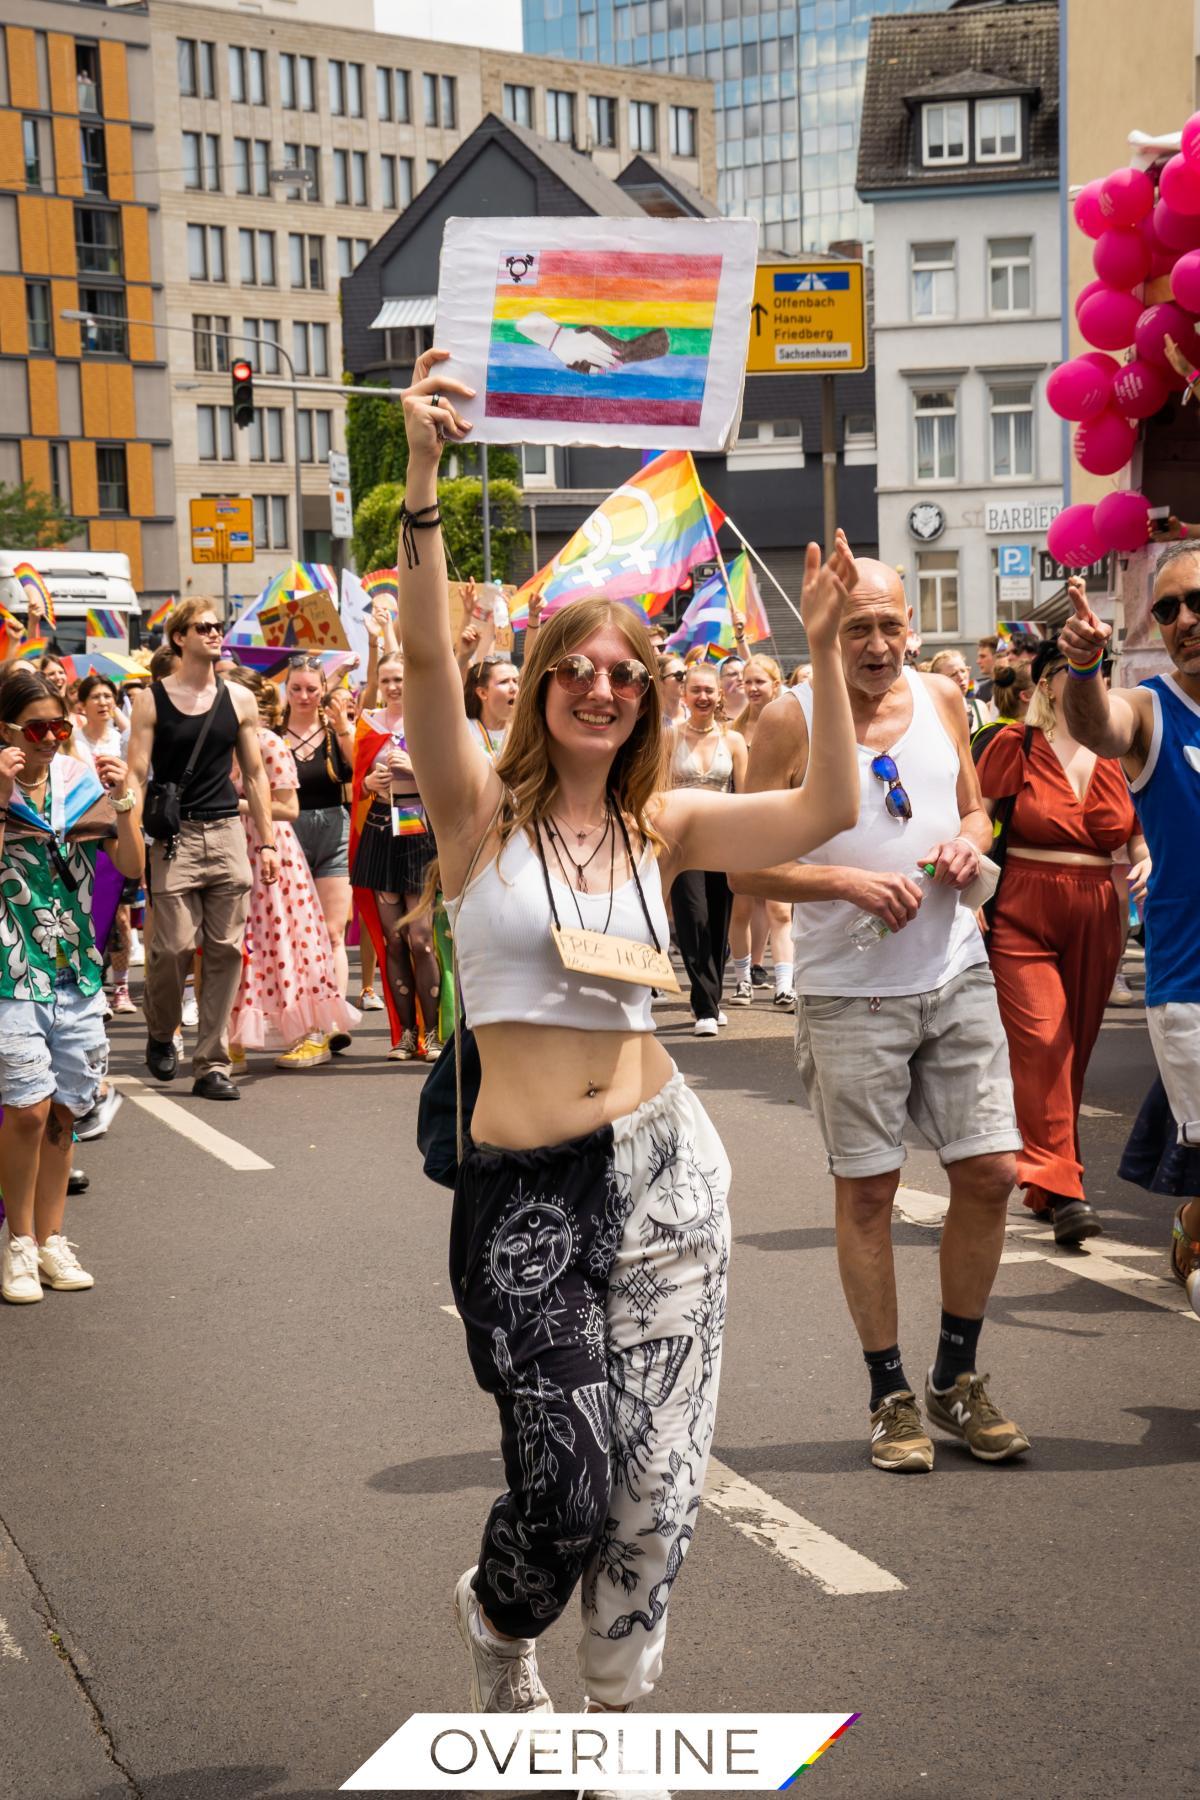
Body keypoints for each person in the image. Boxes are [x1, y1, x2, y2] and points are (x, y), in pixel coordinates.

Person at [395, 350, 859, 1739]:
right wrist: (423, 481)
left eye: (626, 673)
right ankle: (496, 1615)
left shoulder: (668, 828)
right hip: (528, 1190)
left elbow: (825, 806)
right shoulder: (479, 817)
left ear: (649, 697)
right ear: (540, 685)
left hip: (668, 1169)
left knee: (660, 1484)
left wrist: (827, 650)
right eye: (578, 669)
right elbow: (425, 655)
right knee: (568, 1485)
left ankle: (615, 1725)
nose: (603, 686)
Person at [732, 556, 1030, 1474]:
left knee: (991, 1172)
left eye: (888, 625)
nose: (874, 645)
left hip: (953, 967)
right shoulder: (791, 718)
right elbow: (744, 868)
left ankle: (956, 1377)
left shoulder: (945, 698)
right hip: (847, 988)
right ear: (828, 628)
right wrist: (846, 882)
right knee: (869, 1190)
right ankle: (888, 1392)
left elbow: (980, 816)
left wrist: (963, 841)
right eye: (855, 626)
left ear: (911, 623)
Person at [1060, 554, 1200, 1316]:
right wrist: (1084, 668)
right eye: (1169, 609)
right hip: (1190, 988)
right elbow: (1098, 724)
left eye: (1196, 603)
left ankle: (1190, 1226)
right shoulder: (1151, 709)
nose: (1184, 621)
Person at [975, 639, 1149, 1242]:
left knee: (1073, 1049)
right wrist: (965, 894)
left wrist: (1146, 858)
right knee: (1044, 1043)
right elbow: (975, 820)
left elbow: (1137, 833)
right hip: (1024, 903)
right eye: (1073, 672)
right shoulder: (1011, 743)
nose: (1088, 680)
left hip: (1099, 908)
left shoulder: (1119, 752)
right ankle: (1069, 1191)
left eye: (1098, 672)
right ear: (1047, 684)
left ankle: (1049, 1183)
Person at [0, 665, 143, 1304]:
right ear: (8, 730)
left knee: (65, 1110)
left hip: (74, 964)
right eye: (38, 728)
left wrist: (126, 802)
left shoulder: (78, 781)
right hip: (10, 965)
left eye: (60, 725)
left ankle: (54, 1240)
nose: (53, 738)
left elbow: (132, 866)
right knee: (27, 1110)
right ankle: (20, 1245)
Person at [126, 597, 279, 1101]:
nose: (216, 634)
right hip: (175, 838)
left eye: (219, 627)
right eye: (204, 627)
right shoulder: (152, 699)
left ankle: (212, 1064)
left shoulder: (238, 698)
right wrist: (131, 833)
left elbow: (255, 773)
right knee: (171, 947)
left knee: (226, 951)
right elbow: (136, 772)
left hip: (227, 832)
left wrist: (269, 843)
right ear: (179, 637)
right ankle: (161, 1027)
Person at [226, 672, 358, 1071]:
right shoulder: (218, 745)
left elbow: (288, 808)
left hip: (273, 852)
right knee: (239, 942)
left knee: (290, 939)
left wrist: (236, 806)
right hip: (233, 849)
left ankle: (312, 1033)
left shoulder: (268, 743)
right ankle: (234, 1036)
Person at [349, 649, 440, 1061]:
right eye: (386, 680)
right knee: (394, 940)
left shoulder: (430, 720)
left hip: (419, 830)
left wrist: (418, 771)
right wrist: (369, 781)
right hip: (381, 832)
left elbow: (453, 777)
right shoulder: (367, 725)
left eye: (400, 679)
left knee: (421, 939)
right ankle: (405, 1034)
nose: (393, 687)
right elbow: (356, 783)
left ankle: (433, 1034)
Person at [670, 662, 747, 1036]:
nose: (702, 697)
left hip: (724, 839)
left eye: (709, 691)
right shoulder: (668, 739)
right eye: (695, 690)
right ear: (684, 694)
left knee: (719, 922)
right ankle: (703, 1006)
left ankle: (712, 998)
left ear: (719, 696)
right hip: (683, 843)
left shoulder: (732, 741)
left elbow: (746, 796)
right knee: (693, 917)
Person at [280, 656, 355, 1018]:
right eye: (296, 688)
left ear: (324, 690)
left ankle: (335, 1013)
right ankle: (302, 1012)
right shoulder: (273, 735)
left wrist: (343, 728)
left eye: (311, 689)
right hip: (286, 836)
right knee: (294, 933)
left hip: (333, 832)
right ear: (286, 690)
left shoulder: (334, 731)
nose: (304, 696)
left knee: (332, 932)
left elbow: (357, 768)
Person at [729, 656, 794, 1008]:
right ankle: (744, 978)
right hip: (743, 827)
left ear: (775, 684)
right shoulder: (734, 731)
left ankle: (785, 983)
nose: (753, 689)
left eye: (760, 682)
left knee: (780, 910)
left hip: (781, 825)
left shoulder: (791, 724)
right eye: (747, 682)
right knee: (742, 909)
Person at [74, 674, 136, 1014]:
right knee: (88, 914)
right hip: (85, 833)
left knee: (122, 917)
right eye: (95, 696)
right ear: (81, 704)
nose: (102, 702)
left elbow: (137, 779)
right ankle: (92, 982)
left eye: (108, 696)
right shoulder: (72, 740)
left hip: (118, 827)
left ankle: (122, 987)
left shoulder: (123, 739)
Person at [464, 652, 519, 758]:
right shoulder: (466, 729)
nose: (514, 688)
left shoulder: (527, 731)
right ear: (483, 693)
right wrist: (462, 657)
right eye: (504, 682)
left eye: (516, 681)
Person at [930, 650, 990, 736]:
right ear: (938, 680)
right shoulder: (933, 712)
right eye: (953, 674)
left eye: (963, 671)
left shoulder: (979, 707)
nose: (961, 677)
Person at [656, 652, 687, 729]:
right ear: (660, 682)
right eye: (678, 675)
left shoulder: (693, 714)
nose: (684, 679)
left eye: (686, 673)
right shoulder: (651, 723)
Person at [975, 635, 1000, 704]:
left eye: (983, 656)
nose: (978, 661)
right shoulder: (981, 689)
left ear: (998, 657)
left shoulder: (1013, 686)